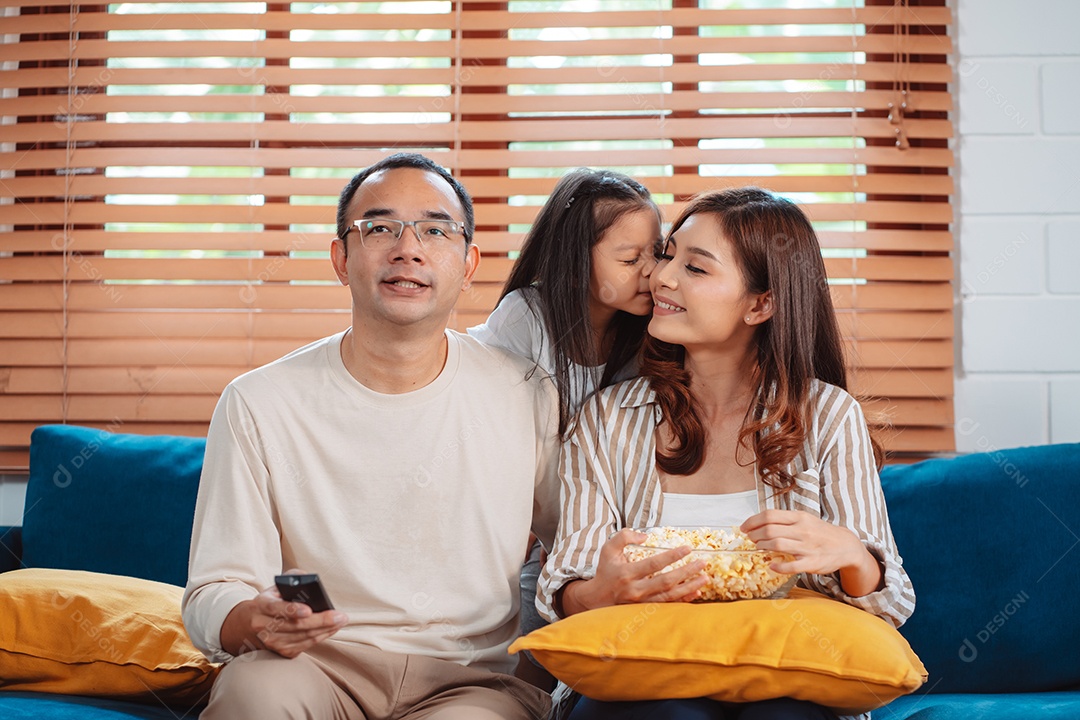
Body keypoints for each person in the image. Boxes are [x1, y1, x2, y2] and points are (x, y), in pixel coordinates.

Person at [182, 152, 560, 720]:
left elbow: (577, 548)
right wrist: (249, 619)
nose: (408, 249)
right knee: (251, 695)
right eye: (380, 228)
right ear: (341, 258)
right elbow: (216, 587)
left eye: (435, 230)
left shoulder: (527, 392)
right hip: (312, 664)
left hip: (471, 681)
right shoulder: (259, 401)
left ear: (468, 263)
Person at [537, 188, 916, 720]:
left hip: (786, 681)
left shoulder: (829, 416)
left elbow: (891, 604)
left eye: (695, 268)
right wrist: (598, 591)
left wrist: (852, 554)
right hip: (645, 677)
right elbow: (562, 585)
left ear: (760, 304)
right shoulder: (607, 418)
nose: (661, 277)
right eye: (668, 255)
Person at [467, 168, 661, 689]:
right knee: (525, 674)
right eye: (629, 260)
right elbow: (501, 457)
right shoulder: (525, 319)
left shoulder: (653, 333)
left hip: (612, 546)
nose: (652, 272)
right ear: (574, 263)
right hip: (543, 546)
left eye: (656, 252)